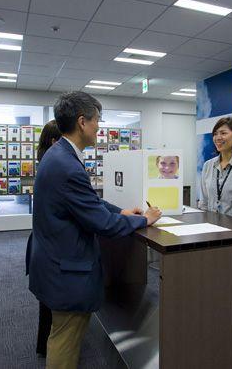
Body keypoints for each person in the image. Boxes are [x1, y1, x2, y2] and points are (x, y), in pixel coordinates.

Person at [28, 91, 161, 369]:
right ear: (82, 122)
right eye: (97, 120)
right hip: (66, 270)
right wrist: (144, 220)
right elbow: (103, 224)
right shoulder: (67, 165)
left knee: (60, 335)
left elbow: (89, 202)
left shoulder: (59, 155)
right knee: (65, 340)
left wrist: (120, 211)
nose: (99, 127)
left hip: (53, 260)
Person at [25, 120, 61, 357]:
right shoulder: (57, 166)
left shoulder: (47, 163)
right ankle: (48, 347)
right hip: (49, 246)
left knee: (47, 304)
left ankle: (44, 345)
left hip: (41, 243)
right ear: (55, 141)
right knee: (51, 303)